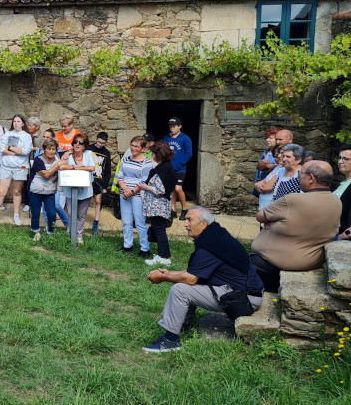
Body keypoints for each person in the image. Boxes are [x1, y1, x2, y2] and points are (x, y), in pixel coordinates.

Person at [143, 207, 264, 353]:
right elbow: (195, 271)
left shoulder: (210, 245)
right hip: (244, 292)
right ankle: (184, 325)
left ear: (204, 224)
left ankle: (170, 341)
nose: (185, 224)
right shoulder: (215, 237)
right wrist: (170, 273)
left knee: (180, 290)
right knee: (185, 285)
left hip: (244, 299)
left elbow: (191, 279)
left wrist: (164, 277)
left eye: (189, 220)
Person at [251, 161, 342, 292]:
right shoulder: (336, 201)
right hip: (311, 262)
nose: (298, 176)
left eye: (301, 173)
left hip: (274, 264)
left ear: (311, 178)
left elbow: (260, 216)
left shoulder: (293, 200)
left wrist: (272, 222)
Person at [0, 114, 32, 227]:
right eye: (14, 121)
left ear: (22, 123)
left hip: (20, 168)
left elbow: (26, 151)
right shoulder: (7, 134)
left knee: (17, 192)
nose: (15, 123)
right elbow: (1, 148)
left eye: (18, 121)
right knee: (1, 192)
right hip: (6, 167)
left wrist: (10, 148)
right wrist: (17, 152)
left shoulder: (27, 136)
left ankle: (16, 215)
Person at [138, 141, 176, 266]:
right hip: (159, 206)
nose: (152, 155)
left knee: (159, 231)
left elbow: (161, 190)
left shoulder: (162, 169)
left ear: (159, 154)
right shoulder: (167, 167)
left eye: (153, 153)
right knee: (158, 229)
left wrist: (145, 187)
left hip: (158, 206)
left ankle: (164, 257)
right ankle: (161, 255)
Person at [116, 136, 153, 256]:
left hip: (138, 195)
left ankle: (145, 248)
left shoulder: (147, 163)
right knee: (126, 221)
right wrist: (125, 189)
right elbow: (119, 175)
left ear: (142, 148)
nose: (133, 148)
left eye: (136, 146)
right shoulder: (126, 159)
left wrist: (131, 192)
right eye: (132, 145)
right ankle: (127, 245)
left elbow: (144, 180)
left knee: (140, 222)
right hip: (124, 194)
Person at [59, 132, 97, 245]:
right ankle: (70, 233)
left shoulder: (89, 154)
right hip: (70, 188)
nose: (77, 144)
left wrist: (79, 168)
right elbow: (61, 166)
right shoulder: (68, 155)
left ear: (85, 145)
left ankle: (79, 235)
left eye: (80, 142)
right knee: (71, 212)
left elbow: (92, 168)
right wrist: (75, 166)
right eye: (75, 141)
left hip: (85, 190)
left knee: (81, 214)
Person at [28, 138, 62, 241]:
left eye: (53, 149)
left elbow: (69, 153)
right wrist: (57, 165)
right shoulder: (38, 160)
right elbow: (46, 175)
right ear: (44, 149)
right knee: (36, 213)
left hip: (50, 191)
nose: (51, 151)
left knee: (52, 214)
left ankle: (50, 231)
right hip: (36, 190)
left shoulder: (58, 158)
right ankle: (36, 231)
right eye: (49, 149)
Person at [164, 117, 193, 220]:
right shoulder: (166, 138)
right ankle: (173, 210)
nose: (172, 128)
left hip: (180, 169)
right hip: (169, 168)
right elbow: (164, 151)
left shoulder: (185, 138)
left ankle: (184, 209)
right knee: (172, 190)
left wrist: (179, 164)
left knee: (178, 188)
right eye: (170, 126)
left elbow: (189, 153)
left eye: (174, 126)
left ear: (180, 126)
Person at [85, 132, 112, 234]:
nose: (100, 144)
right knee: (85, 200)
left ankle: (95, 223)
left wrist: (105, 186)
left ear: (106, 142)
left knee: (98, 201)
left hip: (99, 180)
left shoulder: (106, 153)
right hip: (88, 178)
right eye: (99, 142)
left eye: (103, 143)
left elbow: (108, 171)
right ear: (96, 139)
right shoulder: (89, 149)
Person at [254, 144, 284, 211]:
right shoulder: (278, 168)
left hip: (272, 208)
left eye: (281, 154)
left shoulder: (284, 170)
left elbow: (266, 187)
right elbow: (257, 184)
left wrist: (262, 186)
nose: (278, 157)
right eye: (275, 156)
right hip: (264, 207)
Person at [254, 128, 279, 197]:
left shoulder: (279, 154)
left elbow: (279, 169)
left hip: (269, 186)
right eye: (267, 138)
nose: (267, 140)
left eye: (270, 138)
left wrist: (268, 167)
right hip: (260, 183)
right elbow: (259, 166)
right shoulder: (266, 152)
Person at [334, 145, 351, 240]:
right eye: (340, 158)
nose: (340, 161)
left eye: (346, 159)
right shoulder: (343, 183)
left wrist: (343, 236)